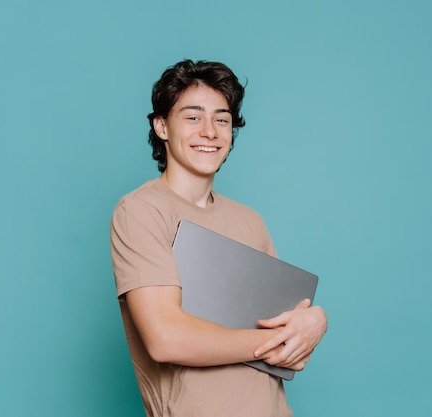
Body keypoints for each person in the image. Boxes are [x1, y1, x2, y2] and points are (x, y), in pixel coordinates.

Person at [110, 59, 328, 417]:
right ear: (162, 126)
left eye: (222, 119)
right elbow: (166, 338)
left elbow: (290, 338)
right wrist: (277, 342)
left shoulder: (250, 221)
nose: (210, 131)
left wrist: (316, 321)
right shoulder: (140, 211)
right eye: (193, 117)